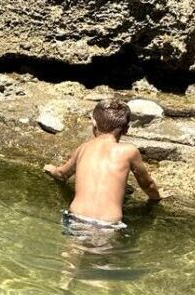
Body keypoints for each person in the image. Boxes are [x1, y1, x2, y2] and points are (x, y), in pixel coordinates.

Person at [43, 98, 163, 232]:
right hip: (108, 223)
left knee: (72, 250)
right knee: (103, 251)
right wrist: (156, 197)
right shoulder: (129, 151)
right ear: (126, 130)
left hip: (77, 216)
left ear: (94, 124)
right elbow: (147, 185)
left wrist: (51, 169)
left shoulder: (84, 148)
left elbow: (61, 175)